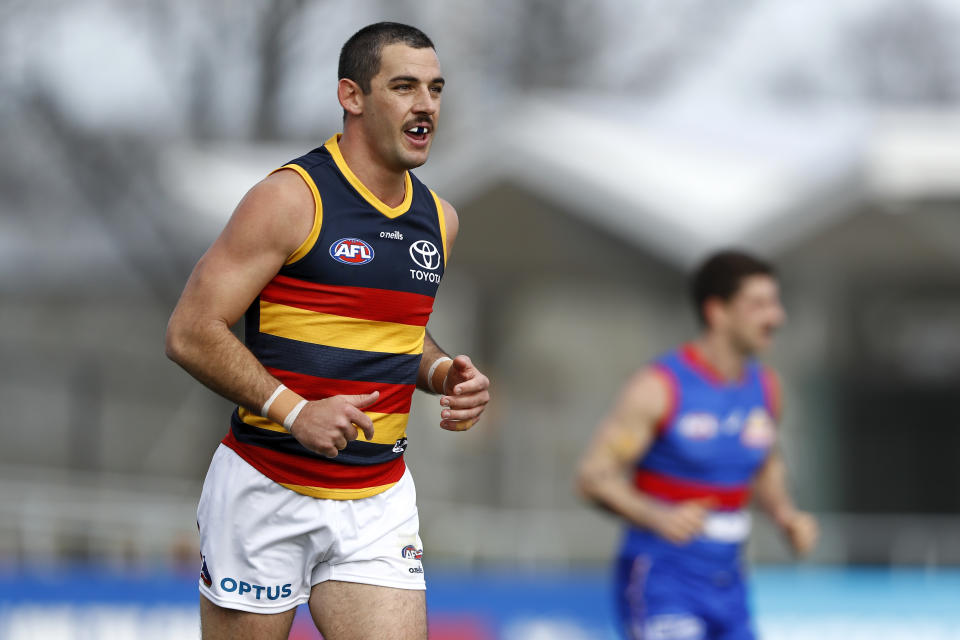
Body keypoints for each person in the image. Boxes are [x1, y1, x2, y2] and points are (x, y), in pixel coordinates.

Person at [165, 22, 490, 640]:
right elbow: (190, 330)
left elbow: (399, 335)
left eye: (435, 89)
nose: (426, 105)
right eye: (404, 86)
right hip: (266, 485)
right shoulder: (291, 198)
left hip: (377, 497)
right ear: (352, 96)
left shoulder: (438, 219)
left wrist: (446, 372)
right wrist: (295, 412)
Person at [577, 250, 817, 640]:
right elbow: (591, 477)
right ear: (717, 312)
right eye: (759, 305)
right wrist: (656, 515)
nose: (777, 317)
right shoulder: (659, 387)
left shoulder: (768, 389)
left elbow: (766, 462)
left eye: (775, 303)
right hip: (662, 579)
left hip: (729, 583)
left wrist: (786, 515)